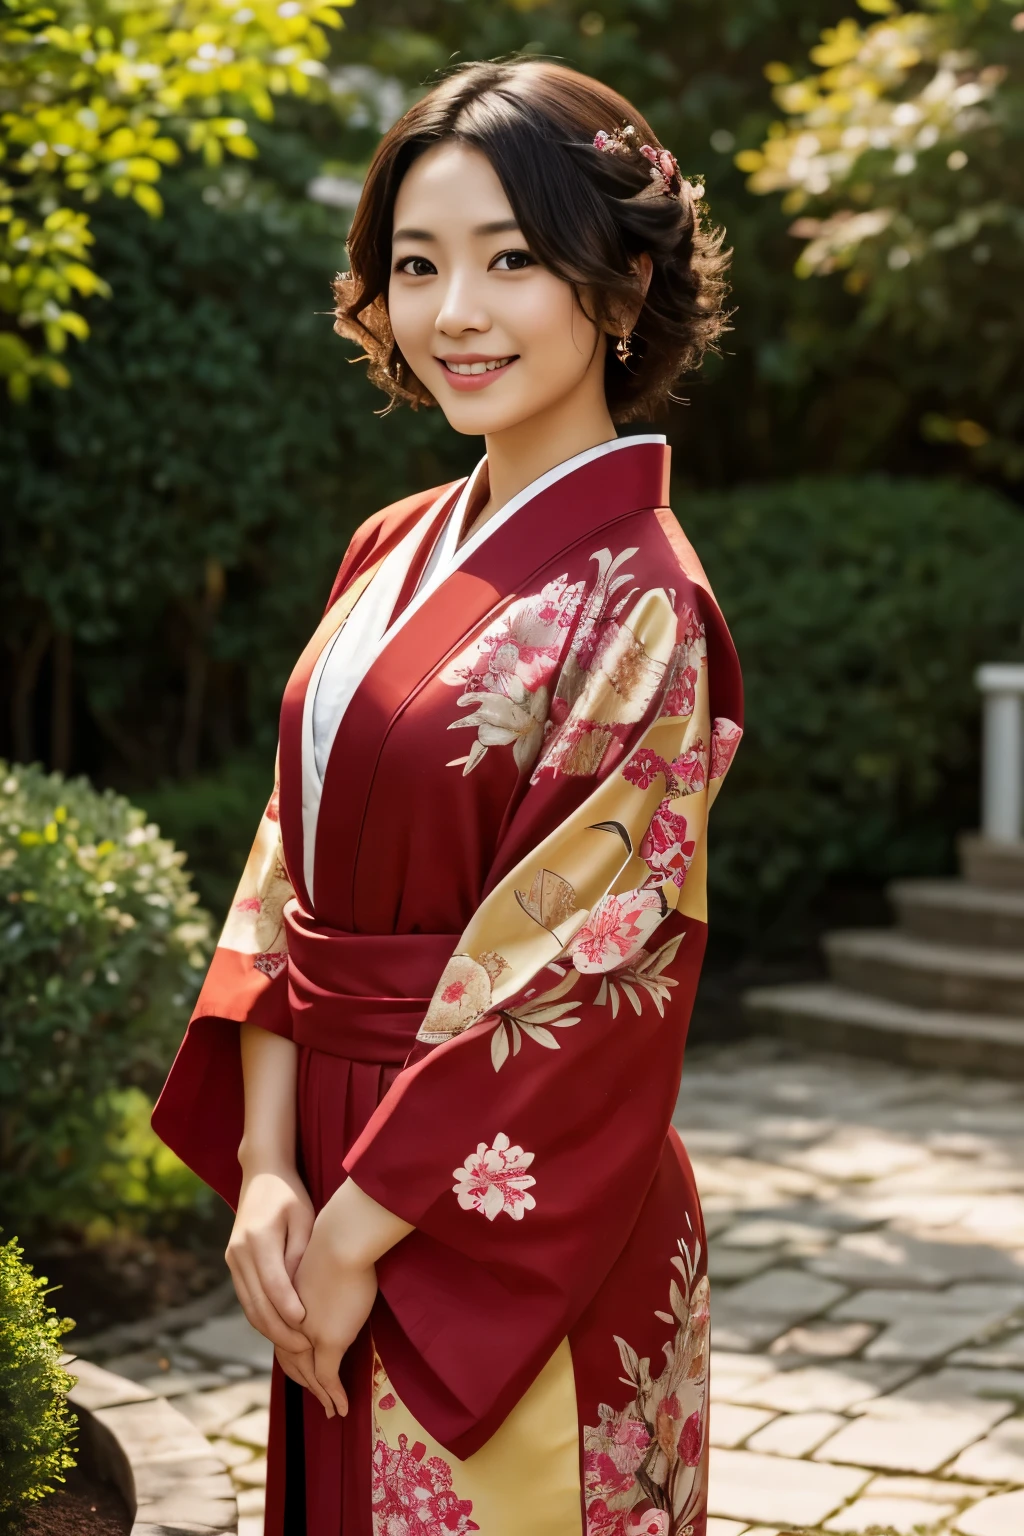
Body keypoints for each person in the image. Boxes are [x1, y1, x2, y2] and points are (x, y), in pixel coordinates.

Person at [154, 56, 742, 1536]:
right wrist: (271, 1174)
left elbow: (596, 970)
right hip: (333, 1158)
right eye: (419, 266)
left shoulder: (644, 601)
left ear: (620, 284)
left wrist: (357, 1227)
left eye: (514, 261)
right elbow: (291, 850)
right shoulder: (390, 541)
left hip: (498, 1191)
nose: (455, 313)